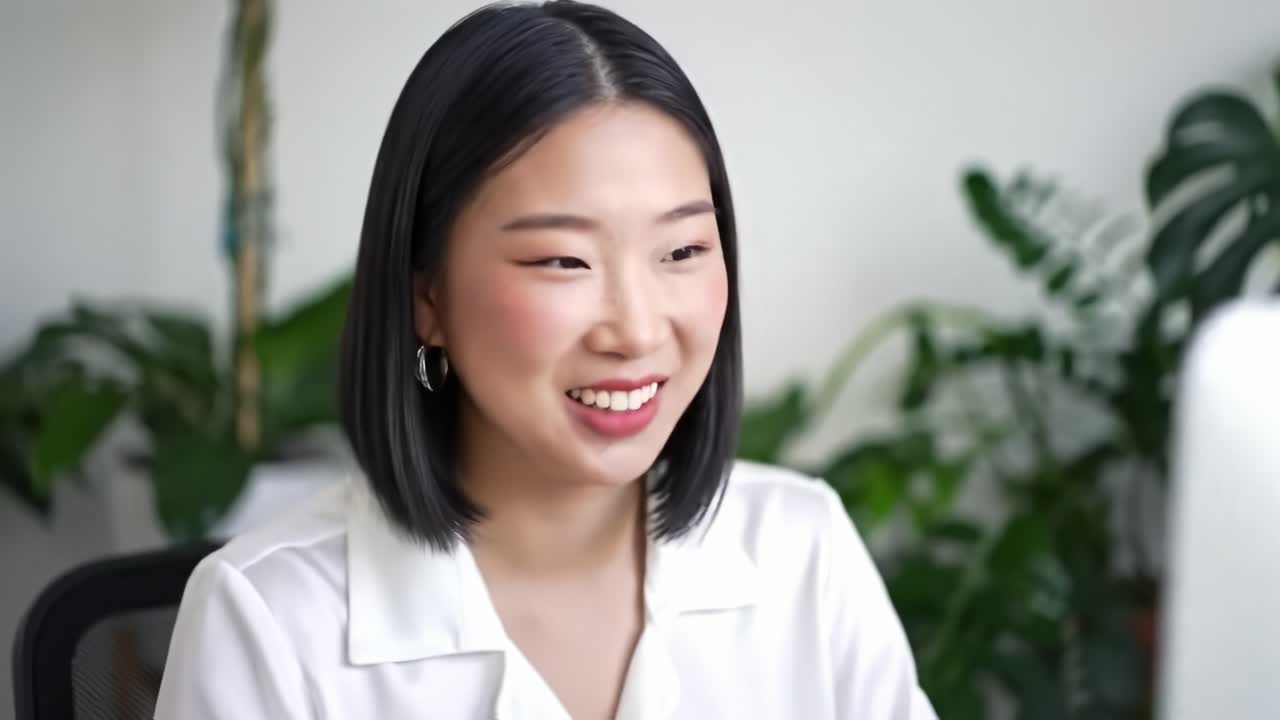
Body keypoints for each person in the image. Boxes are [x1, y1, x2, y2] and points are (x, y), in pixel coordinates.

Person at [154, 1, 938, 718]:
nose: (636, 330)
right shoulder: (268, 622)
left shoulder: (803, 551)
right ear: (427, 296)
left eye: (682, 251)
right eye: (564, 261)